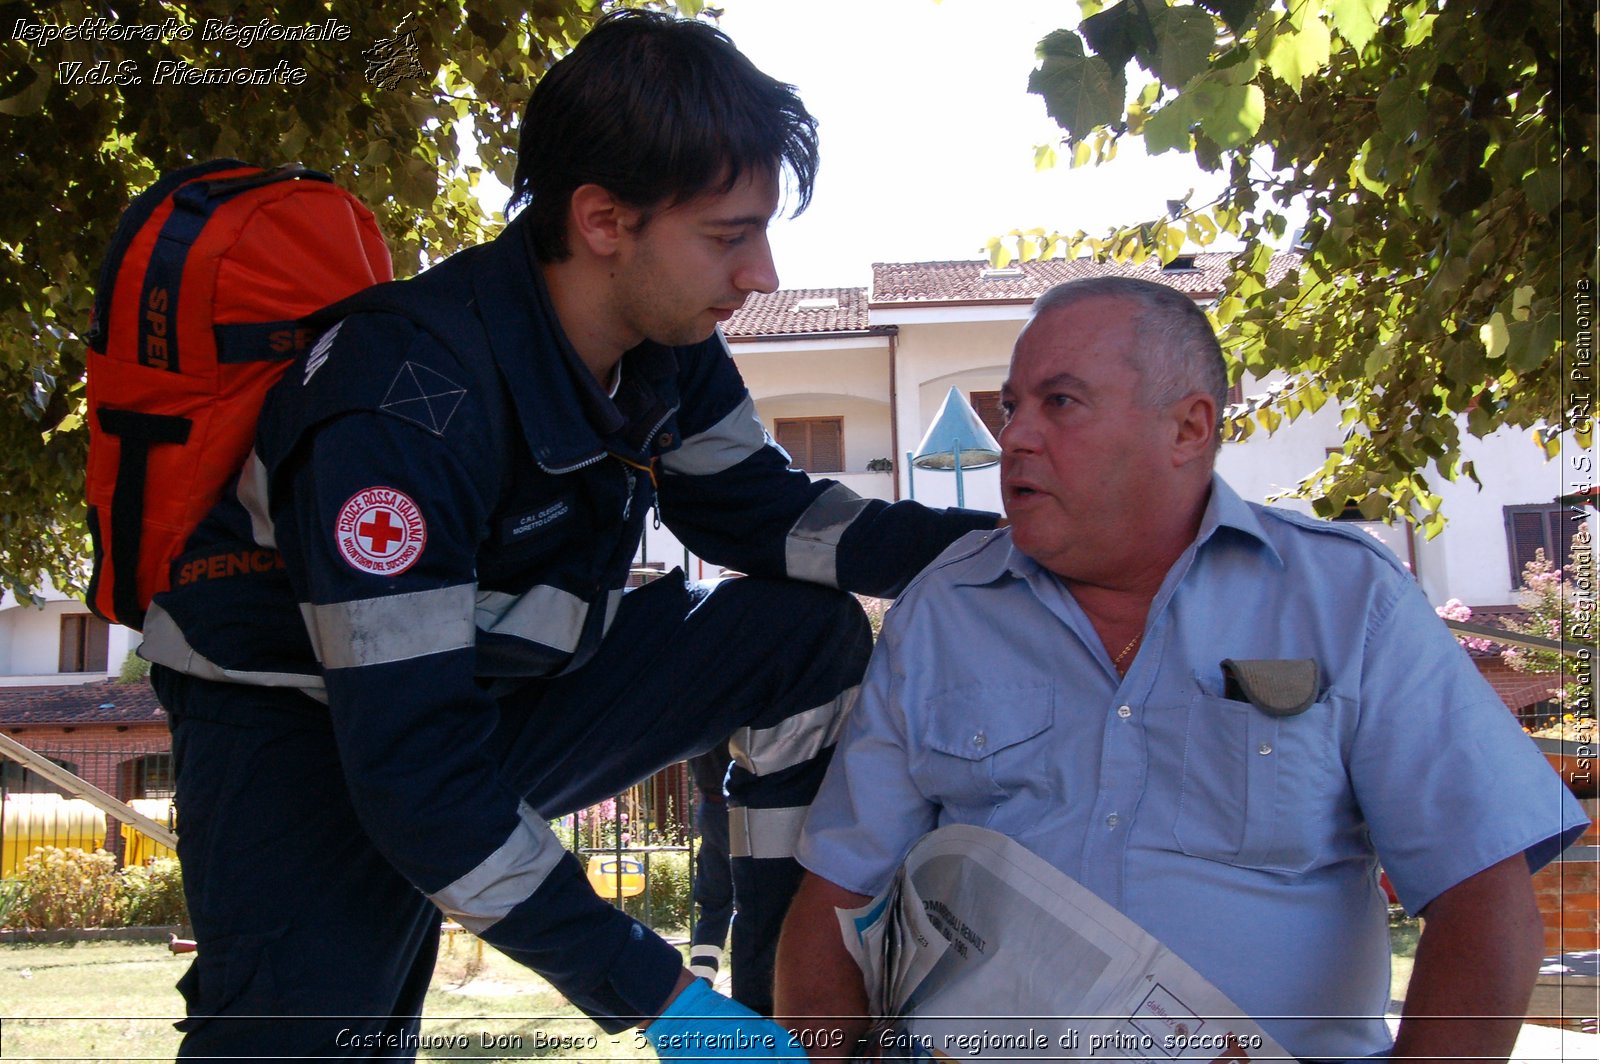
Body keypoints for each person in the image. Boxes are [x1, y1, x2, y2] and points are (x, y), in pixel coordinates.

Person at [139, 12, 998, 1059]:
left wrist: (1020, 547)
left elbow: (767, 516)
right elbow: (417, 776)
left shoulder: (661, 349)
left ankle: (795, 1023)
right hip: (300, 737)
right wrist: (669, 1004)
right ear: (602, 220)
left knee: (800, 638)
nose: (761, 273)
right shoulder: (401, 410)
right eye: (729, 235)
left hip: (492, 699)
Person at [776, 277, 1591, 1062]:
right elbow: (838, 899)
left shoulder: (1347, 600)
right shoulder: (941, 614)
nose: (1014, 436)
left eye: (1060, 403)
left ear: (1189, 428)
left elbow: (1484, 901)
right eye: (1013, 405)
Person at [688, 741, 736, 982]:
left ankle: (701, 981)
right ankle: (754, 989)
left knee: (715, 902)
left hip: (711, 807)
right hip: (746, 808)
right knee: (759, 902)